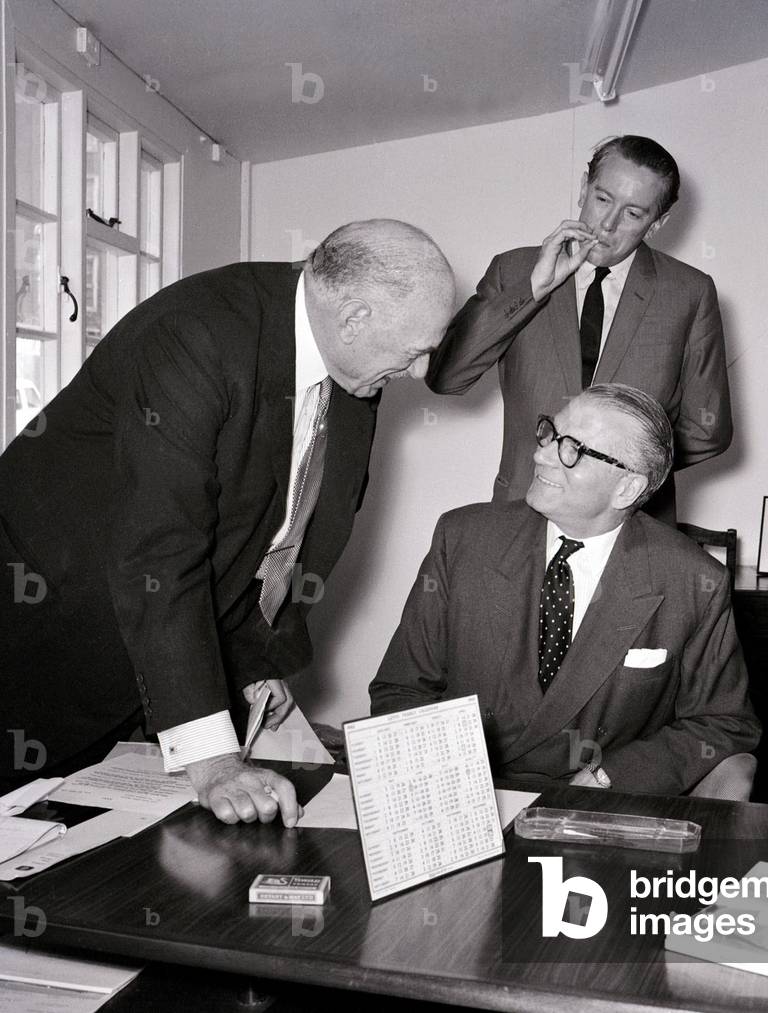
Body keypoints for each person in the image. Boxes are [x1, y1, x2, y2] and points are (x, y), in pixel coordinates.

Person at [1, 219, 456, 826]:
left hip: (157, 635)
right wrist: (213, 759)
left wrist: (255, 659)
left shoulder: (353, 366)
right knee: (26, 837)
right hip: (44, 627)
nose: (423, 371)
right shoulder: (196, 333)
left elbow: (292, 526)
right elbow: (160, 550)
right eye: (415, 351)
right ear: (355, 316)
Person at [370, 384, 759, 795]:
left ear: (627, 488)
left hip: (599, 804)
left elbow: (722, 723)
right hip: (471, 792)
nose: (541, 455)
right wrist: (452, 780)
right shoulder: (463, 538)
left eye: (571, 448)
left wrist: (615, 777)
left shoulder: (692, 581)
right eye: (549, 434)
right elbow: (401, 689)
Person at [425, 135, 732, 525]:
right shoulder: (514, 272)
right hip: (522, 512)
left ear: (657, 223)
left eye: (633, 214)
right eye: (602, 199)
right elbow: (445, 376)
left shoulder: (689, 292)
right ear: (583, 188)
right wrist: (533, 291)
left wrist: (625, 473)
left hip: (633, 522)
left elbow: (710, 428)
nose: (607, 225)